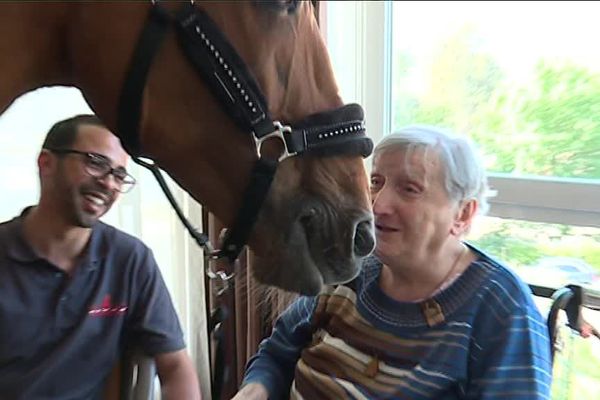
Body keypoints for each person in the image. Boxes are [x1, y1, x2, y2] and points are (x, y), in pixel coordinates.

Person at [233, 125, 552, 399]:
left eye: (410, 189)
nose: (378, 204)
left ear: (462, 214)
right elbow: (277, 353)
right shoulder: (350, 264)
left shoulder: (501, 309)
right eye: (376, 182)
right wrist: (254, 390)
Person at [0, 115, 201, 399]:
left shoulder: (129, 260)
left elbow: (176, 367)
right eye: (95, 162)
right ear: (46, 163)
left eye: (119, 175)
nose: (108, 183)